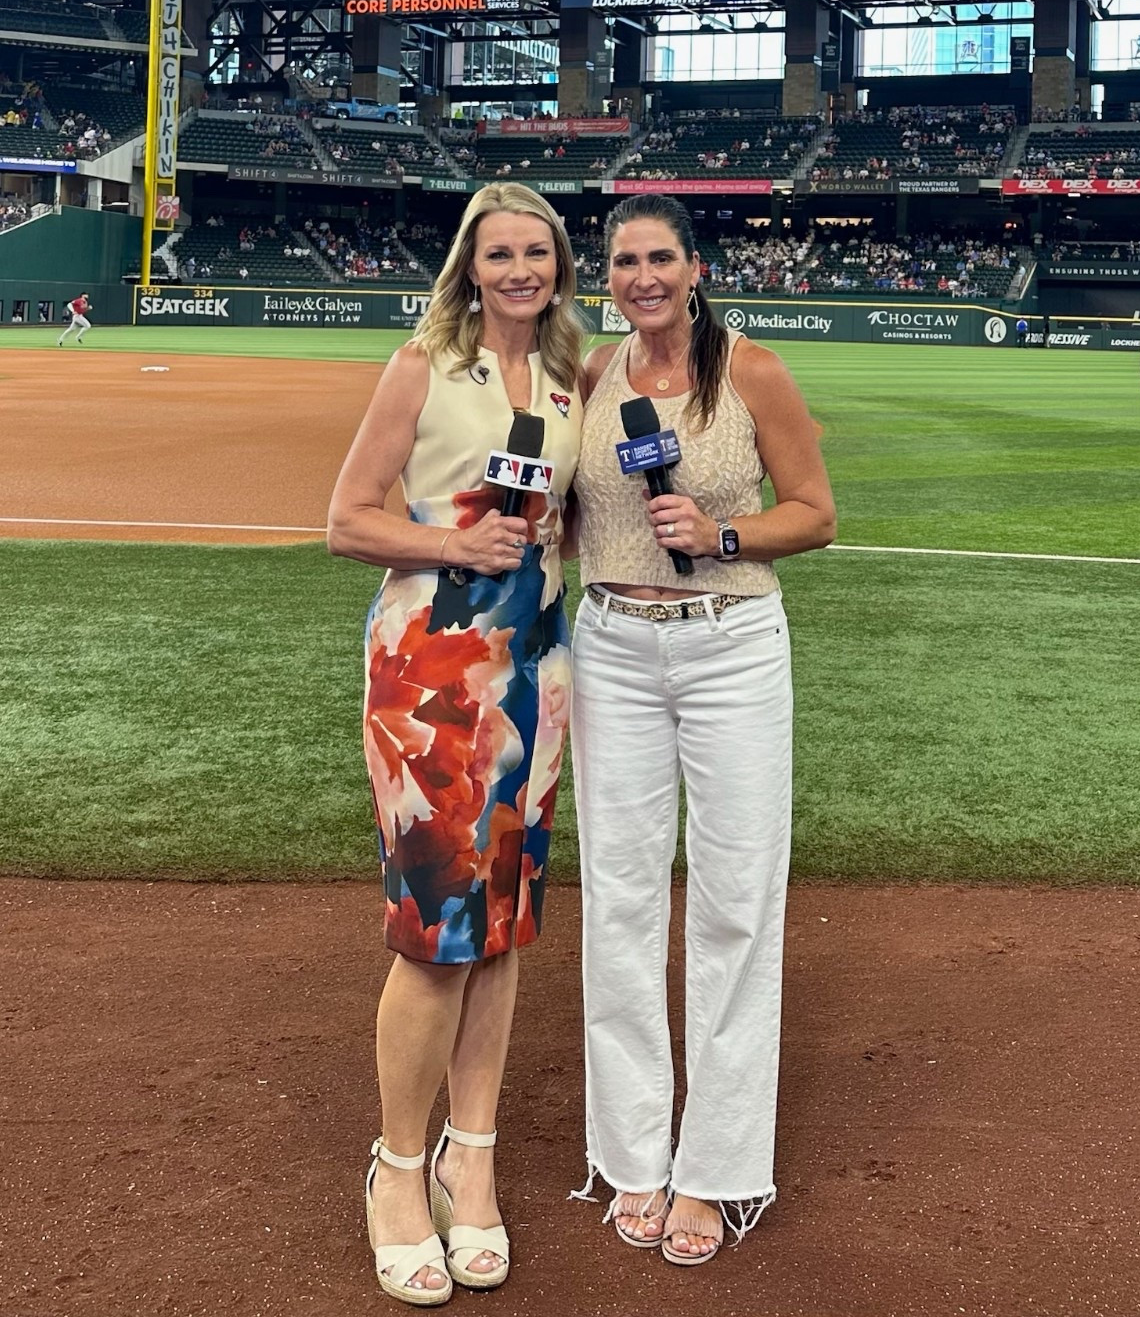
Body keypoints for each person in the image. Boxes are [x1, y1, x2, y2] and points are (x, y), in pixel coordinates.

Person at [327, 182, 584, 1307]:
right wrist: (451, 541)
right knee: (438, 929)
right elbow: (346, 517)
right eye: (500, 253)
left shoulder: (578, 380)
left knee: (504, 924)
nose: (519, 268)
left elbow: (571, 523)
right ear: (468, 268)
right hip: (430, 665)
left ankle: (466, 1156)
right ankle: (393, 1169)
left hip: (537, 667)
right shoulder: (422, 365)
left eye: (536, 250)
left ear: (558, 264)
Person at [568, 194, 836, 1266]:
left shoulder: (751, 372)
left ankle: (717, 1167)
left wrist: (721, 527)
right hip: (613, 644)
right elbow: (568, 513)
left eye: (658, 256)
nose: (640, 275)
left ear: (694, 264)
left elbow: (813, 511)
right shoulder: (591, 377)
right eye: (623, 258)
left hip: (729, 638)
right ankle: (630, 1152)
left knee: (733, 901)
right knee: (621, 899)